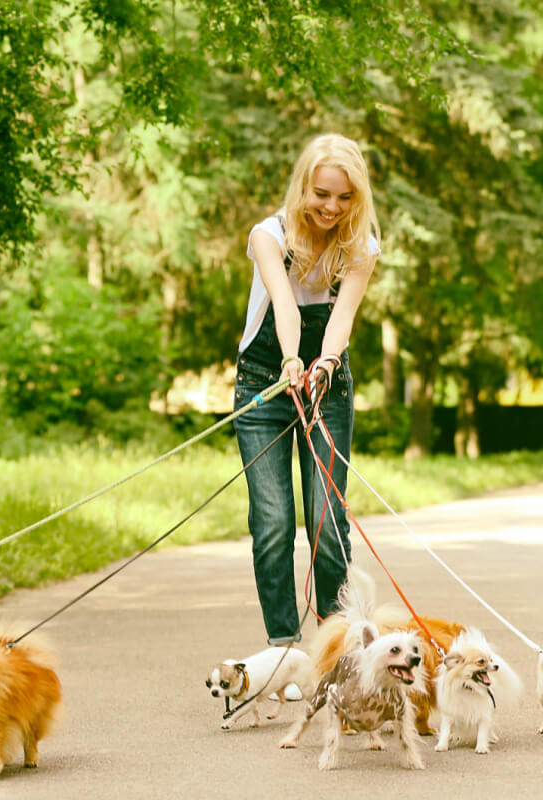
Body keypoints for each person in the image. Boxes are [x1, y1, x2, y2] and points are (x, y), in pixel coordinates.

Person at [232, 133, 381, 645]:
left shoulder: (360, 247)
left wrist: (325, 365)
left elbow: (341, 318)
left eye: (345, 198)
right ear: (303, 187)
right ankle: (282, 650)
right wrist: (293, 359)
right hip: (264, 386)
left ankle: (334, 648)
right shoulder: (267, 236)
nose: (332, 207)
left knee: (326, 520)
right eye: (322, 194)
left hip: (326, 388)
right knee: (273, 523)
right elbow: (286, 306)